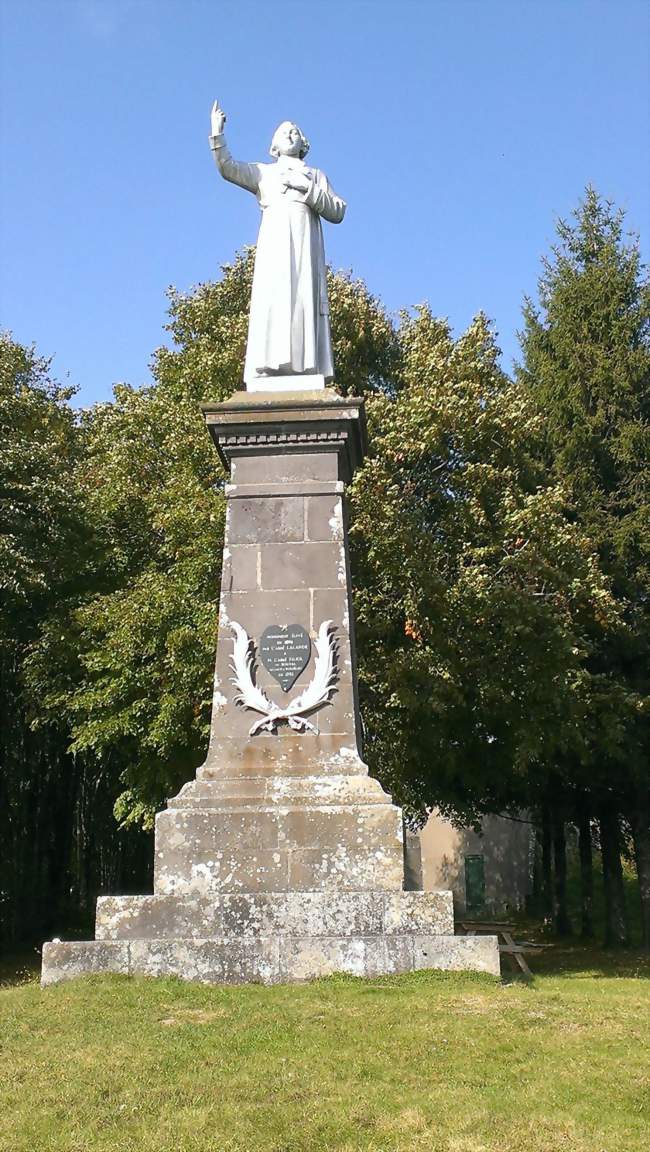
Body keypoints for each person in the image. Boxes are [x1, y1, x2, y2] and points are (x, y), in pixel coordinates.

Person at [209, 102, 346, 386]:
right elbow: (228, 168)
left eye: (295, 131)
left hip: (304, 245)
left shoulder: (315, 175)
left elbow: (338, 210)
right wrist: (217, 133)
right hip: (275, 244)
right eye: (283, 131)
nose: (290, 132)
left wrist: (305, 188)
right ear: (273, 146)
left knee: (301, 296)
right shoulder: (263, 173)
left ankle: (305, 366)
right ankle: (270, 365)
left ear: (303, 143)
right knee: (275, 297)